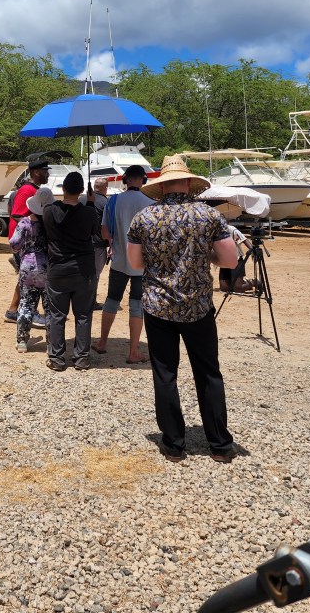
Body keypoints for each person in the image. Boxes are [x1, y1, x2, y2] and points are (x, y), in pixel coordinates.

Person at [127, 155, 240, 463]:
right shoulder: (208, 216)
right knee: (208, 373)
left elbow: (136, 264)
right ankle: (220, 444)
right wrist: (208, 258)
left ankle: (174, 444)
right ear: (189, 182)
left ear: (161, 186)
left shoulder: (144, 218)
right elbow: (231, 261)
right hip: (198, 306)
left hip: (157, 305)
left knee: (165, 374)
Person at [93, 164, 155, 363]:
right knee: (137, 306)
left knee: (111, 301)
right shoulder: (151, 204)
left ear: (125, 179)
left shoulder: (113, 201)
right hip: (142, 264)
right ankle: (133, 351)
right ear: (143, 180)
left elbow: (104, 233)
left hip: (119, 261)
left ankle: (102, 343)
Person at [41, 171, 99, 371]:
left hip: (58, 268)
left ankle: (57, 359)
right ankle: (81, 358)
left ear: (63, 189)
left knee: (57, 314)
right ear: (82, 190)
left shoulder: (49, 211)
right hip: (84, 270)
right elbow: (94, 231)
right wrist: (90, 203)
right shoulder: (89, 212)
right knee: (83, 314)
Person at [5, 156, 50, 327]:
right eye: (45, 171)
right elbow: (16, 214)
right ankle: (30, 312)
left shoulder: (33, 189)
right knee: (33, 277)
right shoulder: (27, 190)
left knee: (26, 277)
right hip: (24, 243)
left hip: (24, 242)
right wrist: (32, 233)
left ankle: (12, 311)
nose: (48, 174)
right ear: (36, 172)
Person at [9, 187, 53, 353]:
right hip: (47, 268)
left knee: (27, 305)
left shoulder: (25, 223)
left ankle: (22, 341)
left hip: (27, 267)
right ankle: (51, 344)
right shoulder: (51, 224)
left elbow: (14, 243)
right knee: (49, 308)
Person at [89, 177, 110, 310]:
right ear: (105, 187)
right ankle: (91, 301)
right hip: (98, 244)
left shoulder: (82, 199)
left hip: (82, 243)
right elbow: (107, 225)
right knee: (95, 274)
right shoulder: (105, 202)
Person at [217, 225, 255, 293]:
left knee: (237, 288)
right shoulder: (212, 231)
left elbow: (244, 239)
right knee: (224, 288)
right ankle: (241, 282)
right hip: (224, 260)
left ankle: (255, 282)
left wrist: (252, 250)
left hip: (236, 259)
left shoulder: (231, 229)